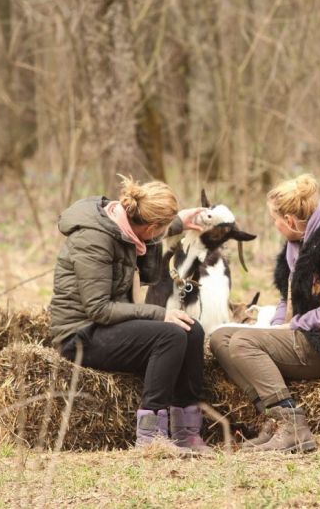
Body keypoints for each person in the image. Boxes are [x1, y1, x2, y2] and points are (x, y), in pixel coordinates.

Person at [210, 174, 320, 453]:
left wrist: (291, 326)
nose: (275, 225)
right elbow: (288, 298)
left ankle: (293, 425)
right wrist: (277, 327)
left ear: (290, 221)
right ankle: (273, 419)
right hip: (311, 333)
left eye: (275, 220)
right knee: (220, 338)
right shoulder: (298, 245)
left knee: (243, 343)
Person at [48, 175, 211, 453]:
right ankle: (151, 437)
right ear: (149, 226)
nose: (160, 235)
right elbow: (98, 309)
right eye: (159, 230)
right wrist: (159, 314)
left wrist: (180, 221)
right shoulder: (94, 239)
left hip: (108, 324)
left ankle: (186, 430)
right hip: (81, 334)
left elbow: (150, 230)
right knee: (170, 334)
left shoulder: (124, 226)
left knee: (191, 329)